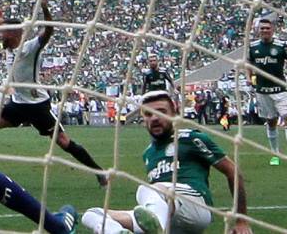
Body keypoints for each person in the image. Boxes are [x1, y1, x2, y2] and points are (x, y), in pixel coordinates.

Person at [0, 0, 107, 187]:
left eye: (3, 32)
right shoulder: (10, 47)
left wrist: (46, 10)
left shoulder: (29, 49)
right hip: (19, 105)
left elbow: (47, 33)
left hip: (38, 106)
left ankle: (98, 171)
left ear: (13, 33)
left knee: (64, 142)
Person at [81, 91, 251, 234]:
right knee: (92, 215)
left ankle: (156, 229)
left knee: (146, 189)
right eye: (148, 114)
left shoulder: (191, 138)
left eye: (161, 112)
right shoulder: (148, 153)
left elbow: (232, 171)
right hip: (168, 214)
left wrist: (241, 219)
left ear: (174, 114)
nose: (154, 118)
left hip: (196, 206)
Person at [247, 15, 287, 166]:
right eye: (262, 28)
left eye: (268, 28)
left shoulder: (281, 46)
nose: (265, 31)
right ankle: (275, 153)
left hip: (280, 89)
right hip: (262, 90)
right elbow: (248, 64)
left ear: (273, 30)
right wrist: (248, 78)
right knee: (271, 122)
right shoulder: (253, 47)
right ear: (258, 30)